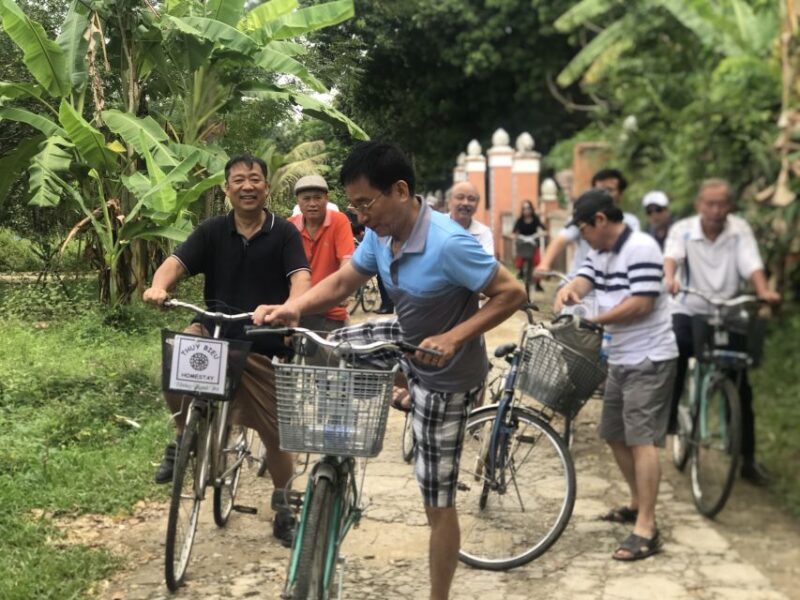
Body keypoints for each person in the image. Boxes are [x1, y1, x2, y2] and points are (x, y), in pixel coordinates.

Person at [253, 142, 526, 600]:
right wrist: (293, 308)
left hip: (447, 376)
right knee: (329, 345)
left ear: (400, 190)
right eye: (355, 204)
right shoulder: (381, 235)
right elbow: (344, 281)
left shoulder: (449, 242)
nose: (360, 215)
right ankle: (363, 425)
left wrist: (455, 337)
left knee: (436, 501)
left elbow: (512, 293)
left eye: (365, 203)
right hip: (407, 339)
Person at [142, 154, 311, 546]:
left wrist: (292, 307)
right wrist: (159, 286)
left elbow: (300, 277)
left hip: (262, 342)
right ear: (226, 189)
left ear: (267, 188)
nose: (247, 186)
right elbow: (175, 262)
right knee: (180, 350)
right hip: (215, 331)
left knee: (276, 433)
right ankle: (184, 435)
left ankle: (284, 504)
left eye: (255, 179)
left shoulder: (284, 233)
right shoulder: (212, 230)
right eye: (238, 180)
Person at [555, 189, 677, 562]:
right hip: (622, 356)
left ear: (601, 221)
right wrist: (567, 290)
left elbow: (642, 303)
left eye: (584, 228)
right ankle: (638, 500)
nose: (583, 237)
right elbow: (583, 279)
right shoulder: (600, 251)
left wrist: (596, 320)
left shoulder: (640, 248)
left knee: (641, 439)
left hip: (650, 355)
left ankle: (647, 526)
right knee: (613, 433)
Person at [663, 178, 780, 485]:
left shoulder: (738, 230)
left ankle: (746, 460)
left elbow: (751, 264)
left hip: (728, 311)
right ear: (698, 205)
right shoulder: (683, 230)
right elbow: (672, 258)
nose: (715, 210)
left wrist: (763, 290)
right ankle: (671, 418)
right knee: (676, 354)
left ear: (730, 206)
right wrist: (670, 279)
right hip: (690, 308)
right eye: (709, 204)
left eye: (722, 204)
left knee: (741, 385)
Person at [288, 174, 355, 363]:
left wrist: (345, 290)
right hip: (298, 310)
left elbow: (347, 258)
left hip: (330, 310)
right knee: (283, 370)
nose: (312, 203)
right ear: (298, 202)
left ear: (326, 198)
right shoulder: (290, 226)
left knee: (329, 375)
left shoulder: (339, 221)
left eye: (318, 198)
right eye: (306, 198)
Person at [537, 168, 640, 277]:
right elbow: (561, 239)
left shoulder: (631, 224)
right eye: (599, 190)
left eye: (609, 190)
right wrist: (544, 264)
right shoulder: (582, 218)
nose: (604, 194)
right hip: (578, 279)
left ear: (620, 194)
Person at [448, 181, 494, 256]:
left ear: (477, 204)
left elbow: (486, 263)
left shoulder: (483, 233)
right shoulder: (437, 224)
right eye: (460, 197)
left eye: (471, 199)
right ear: (450, 201)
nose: (465, 203)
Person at [512, 199, 546, 288]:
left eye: (528, 208)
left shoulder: (535, 219)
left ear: (531, 209)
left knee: (537, 262)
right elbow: (513, 233)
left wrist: (539, 235)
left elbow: (544, 230)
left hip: (533, 244)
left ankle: (537, 282)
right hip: (523, 244)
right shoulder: (519, 220)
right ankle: (520, 271)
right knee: (519, 260)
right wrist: (518, 237)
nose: (526, 210)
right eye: (524, 208)